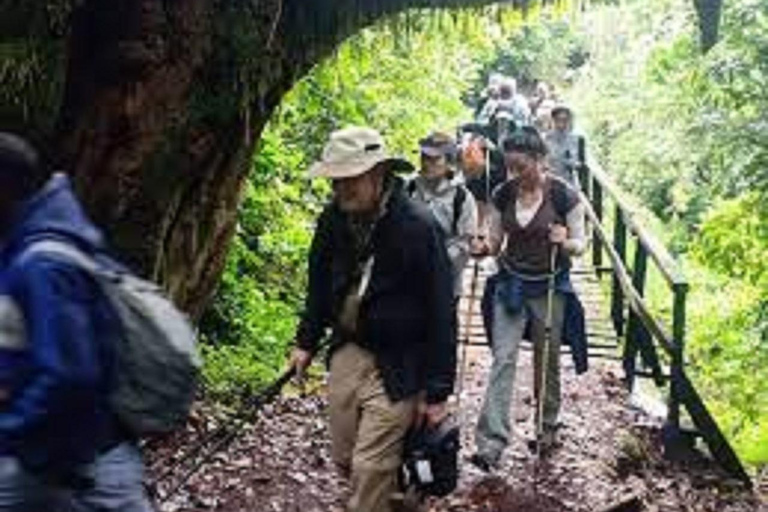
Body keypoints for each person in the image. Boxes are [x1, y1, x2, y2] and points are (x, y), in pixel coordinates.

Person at [290, 127, 456, 512]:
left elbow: (440, 311)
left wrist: (436, 392)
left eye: (352, 178)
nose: (342, 188)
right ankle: (398, 498)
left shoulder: (418, 227)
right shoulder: (332, 221)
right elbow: (318, 285)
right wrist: (305, 341)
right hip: (350, 347)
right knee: (345, 457)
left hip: (401, 361)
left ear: (378, 173)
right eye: (337, 180)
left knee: (369, 469)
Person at [0, 133, 154, 511]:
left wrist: (6, 431)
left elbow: (69, 374)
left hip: (88, 466)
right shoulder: (29, 244)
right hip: (62, 459)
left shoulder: (43, 262)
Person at [470, 127, 588, 472]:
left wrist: (565, 241)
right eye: (510, 167)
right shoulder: (503, 193)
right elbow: (494, 238)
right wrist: (483, 249)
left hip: (550, 286)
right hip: (511, 285)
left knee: (546, 360)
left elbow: (580, 245)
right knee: (502, 359)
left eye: (521, 166)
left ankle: (546, 427)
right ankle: (490, 443)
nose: (515, 174)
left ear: (540, 160)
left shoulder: (565, 196)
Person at [408, 131, 478, 302]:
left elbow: (465, 243)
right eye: (424, 157)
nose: (427, 163)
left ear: (449, 163)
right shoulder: (408, 189)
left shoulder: (461, 198)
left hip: (445, 285)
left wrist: (436, 263)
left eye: (435, 159)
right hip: (406, 283)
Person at [545, 105, 583, 186]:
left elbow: (580, 163)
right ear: (553, 120)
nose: (561, 124)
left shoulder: (577, 139)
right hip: (550, 180)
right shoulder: (546, 138)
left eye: (565, 120)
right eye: (558, 120)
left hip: (568, 181)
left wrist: (572, 163)